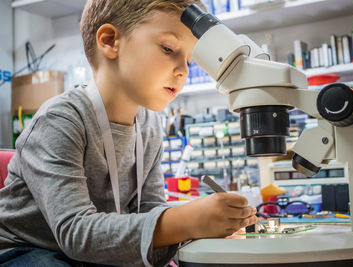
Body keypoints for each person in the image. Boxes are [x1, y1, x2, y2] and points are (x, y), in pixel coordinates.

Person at [0, 1, 258, 266]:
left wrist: (203, 222)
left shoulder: (150, 126)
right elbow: (76, 233)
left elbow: (149, 211)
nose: (183, 71)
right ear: (110, 41)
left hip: (89, 253)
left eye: (189, 61)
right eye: (168, 48)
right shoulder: (59, 120)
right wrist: (184, 221)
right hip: (24, 249)